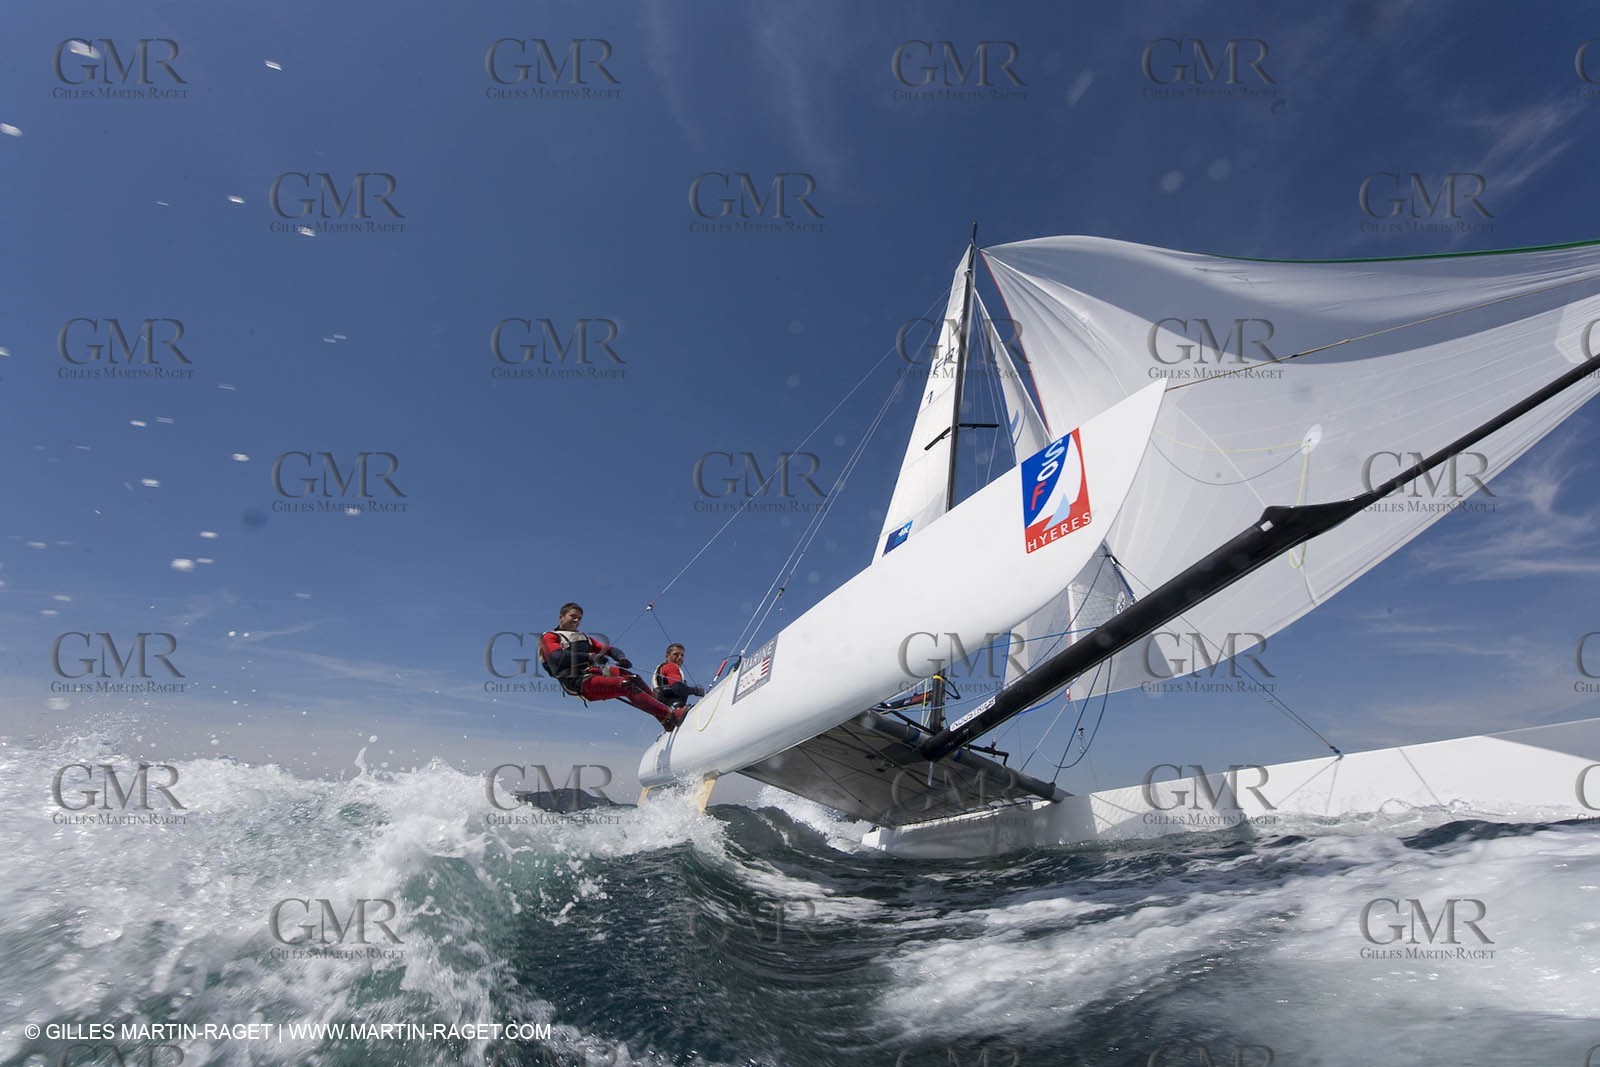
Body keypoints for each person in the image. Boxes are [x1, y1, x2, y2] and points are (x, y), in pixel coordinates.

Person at [539, 603, 684, 731]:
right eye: (573, 616)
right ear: (561, 617)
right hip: (577, 682)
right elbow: (556, 657)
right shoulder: (550, 637)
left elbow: (610, 650)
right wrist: (590, 656)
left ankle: (664, 716)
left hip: (594, 673)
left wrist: (621, 658)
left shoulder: (584, 638)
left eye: (579, 618)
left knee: (633, 677)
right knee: (626, 685)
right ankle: (668, 714)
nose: (577, 621)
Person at [653, 644, 706, 709]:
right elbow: (678, 688)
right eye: (676, 654)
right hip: (674, 708)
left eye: (682, 655)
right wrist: (696, 691)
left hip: (664, 709)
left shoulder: (661, 667)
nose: (680, 657)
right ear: (667, 656)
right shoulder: (671, 667)